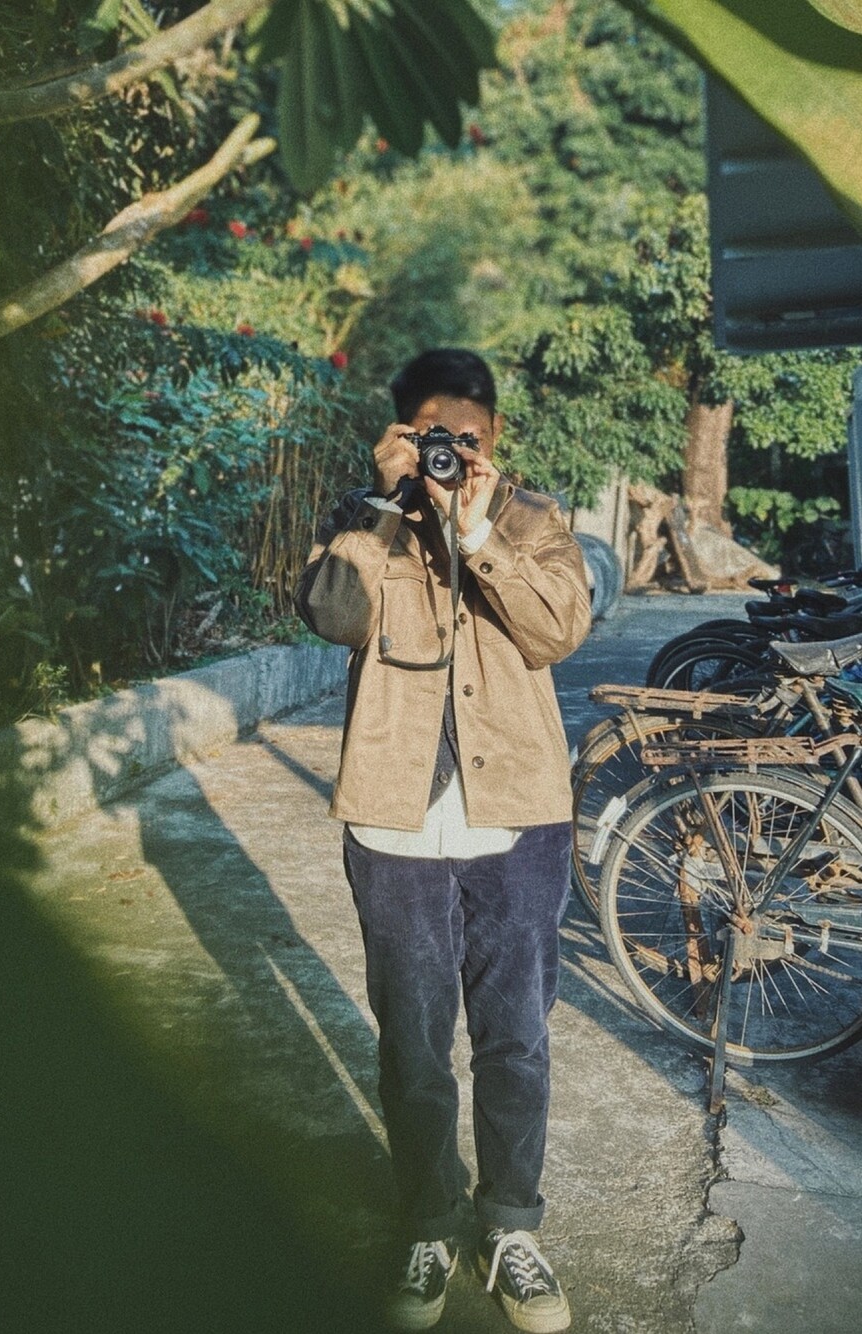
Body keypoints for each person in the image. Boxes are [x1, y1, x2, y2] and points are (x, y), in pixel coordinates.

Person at [294, 348, 591, 1332]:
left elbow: (556, 632)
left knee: (516, 1034)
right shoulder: (361, 520)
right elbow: (331, 614)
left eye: (468, 435)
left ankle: (510, 1224)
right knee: (414, 1040)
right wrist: (386, 506)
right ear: (401, 435)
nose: (451, 450)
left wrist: (477, 531)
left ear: (493, 438)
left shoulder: (534, 519)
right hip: (394, 819)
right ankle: (428, 1220)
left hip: (518, 818)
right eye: (433, 434)